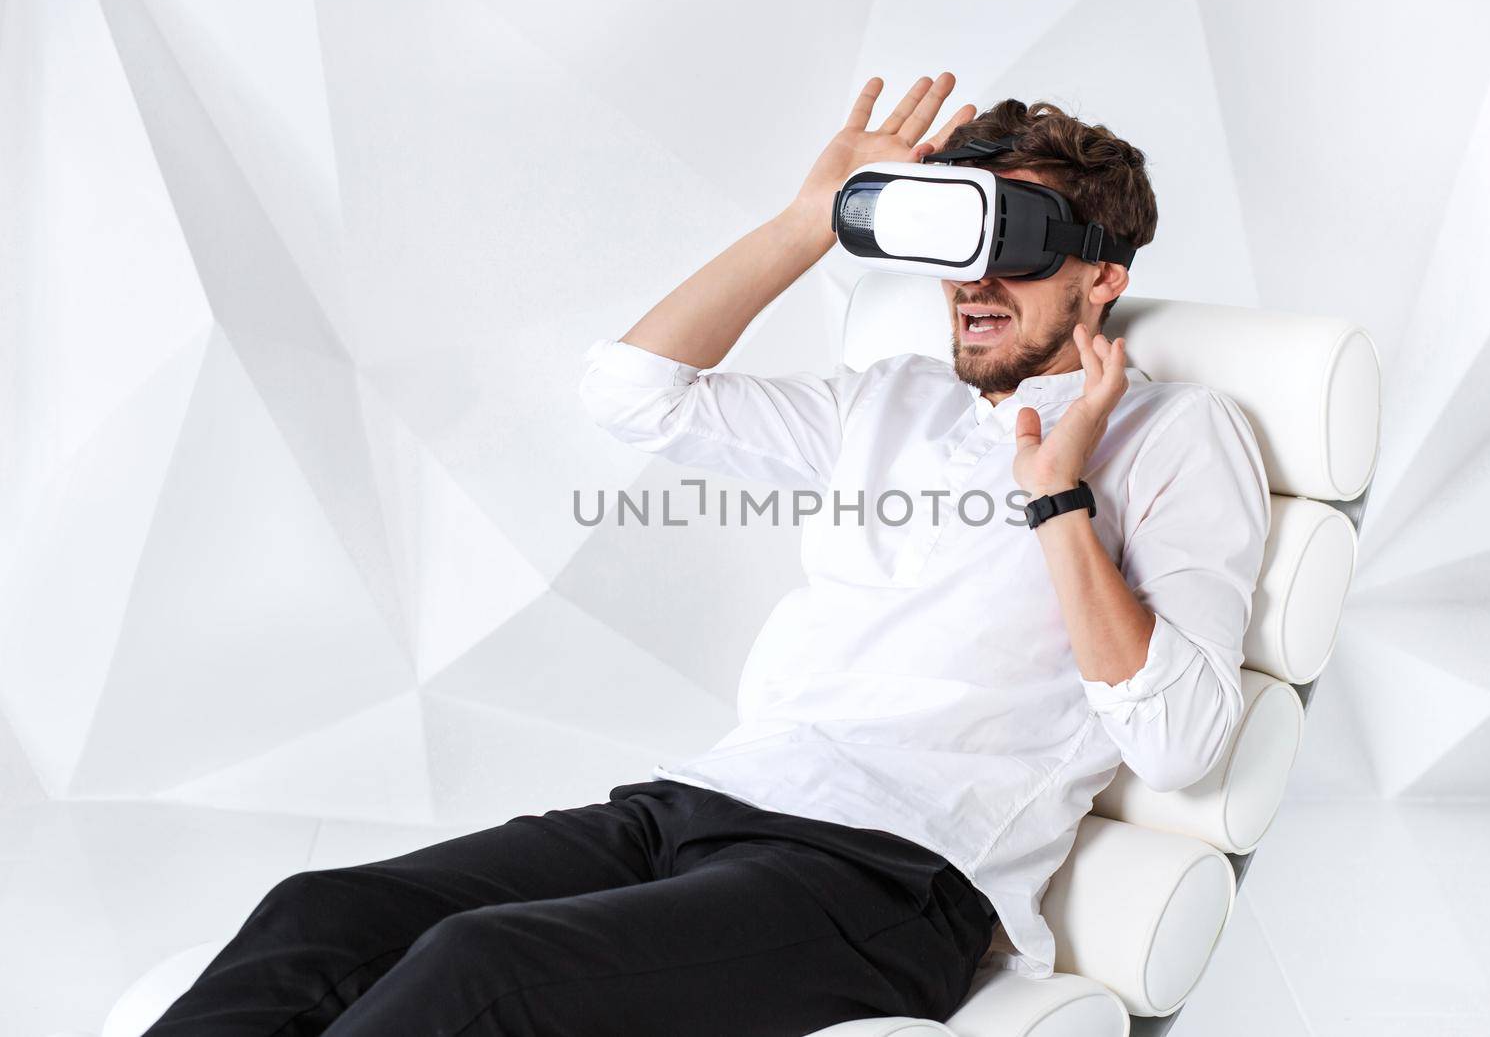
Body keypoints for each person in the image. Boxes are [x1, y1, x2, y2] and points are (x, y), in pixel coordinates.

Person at [145, 72, 1269, 1037]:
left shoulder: (1176, 435)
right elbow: (632, 395)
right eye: (953, 241)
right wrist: (805, 220)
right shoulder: (890, 403)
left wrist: (1059, 496)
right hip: (702, 804)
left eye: (1013, 248)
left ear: (1101, 275)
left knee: (478, 974)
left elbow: (1176, 741)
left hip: (892, 875)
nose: (973, 286)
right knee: (317, 918)